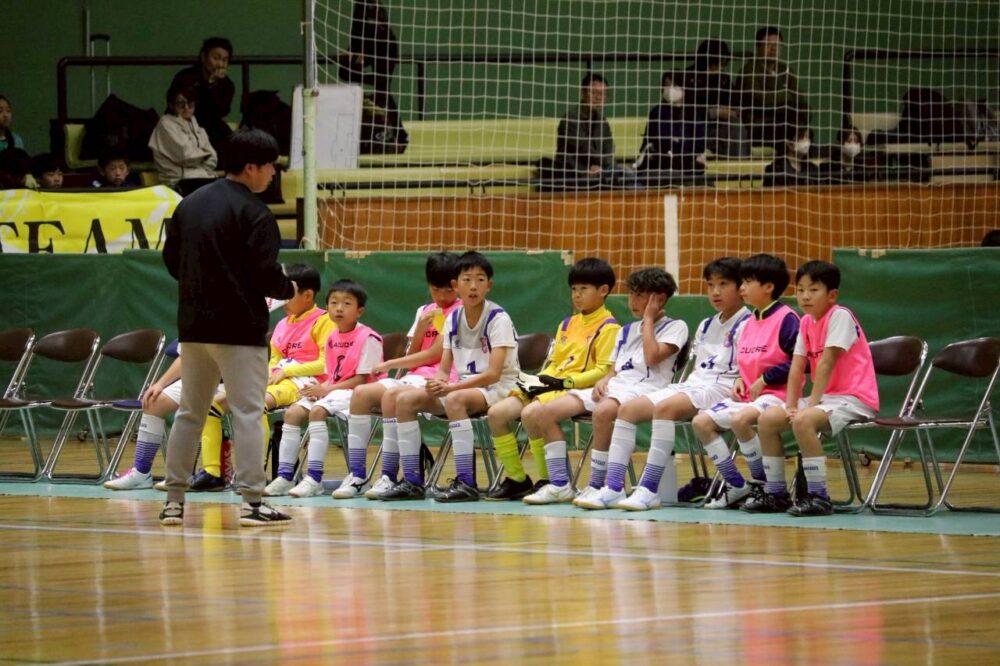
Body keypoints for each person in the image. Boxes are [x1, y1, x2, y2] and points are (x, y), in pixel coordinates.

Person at [159, 128, 296, 527]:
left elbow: (172, 262)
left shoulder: (189, 205)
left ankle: (173, 502)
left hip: (194, 327)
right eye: (270, 165)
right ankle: (253, 504)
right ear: (251, 167)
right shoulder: (255, 212)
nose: (273, 173)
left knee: (190, 413)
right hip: (239, 330)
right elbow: (264, 273)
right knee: (248, 413)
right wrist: (288, 289)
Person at [574, 258, 749, 511]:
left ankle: (648, 489)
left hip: (725, 386)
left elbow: (749, 366)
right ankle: (613, 487)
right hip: (695, 384)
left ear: (741, 287)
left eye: (723, 285)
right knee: (627, 410)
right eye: (711, 285)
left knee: (664, 408)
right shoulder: (706, 324)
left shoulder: (747, 322)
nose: (715, 292)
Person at [527, 267, 688, 508]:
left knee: (602, 411)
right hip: (617, 387)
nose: (632, 301)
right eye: (631, 294)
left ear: (660, 299)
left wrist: (648, 320)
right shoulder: (625, 331)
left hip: (648, 390)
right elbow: (613, 370)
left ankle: (601, 484)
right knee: (546, 412)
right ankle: (560, 484)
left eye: (640, 295)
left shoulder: (676, 327)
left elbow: (652, 357)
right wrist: (604, 381)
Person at [380, 251, 520, 502]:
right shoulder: (452, 319)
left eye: (480, 279)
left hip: (500, 386)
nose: (473, 286)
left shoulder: (498, 319)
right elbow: (444, 368)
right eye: (467, 280)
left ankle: (466, 481)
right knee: (404, 400)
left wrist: (452, 387)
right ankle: (412, 480)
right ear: (456, 285)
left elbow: (493, 374)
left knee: (455, 400)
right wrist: (439, 382)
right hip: (463, 387)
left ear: (489, 285)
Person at [183, 264, 334, 493]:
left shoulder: (324, 321)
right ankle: (212, 473)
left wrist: (288, 372)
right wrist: (265, 374)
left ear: (308, 295)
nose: (281, 300)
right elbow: (274, 359)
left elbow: (326, 362)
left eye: (287, 294)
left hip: (305, 382)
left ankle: (254, 473)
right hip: (276, 380)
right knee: (212, 404)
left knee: (256, 403)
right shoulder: (283, 324)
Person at [485, 258, 621, 503]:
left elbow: (603, 370)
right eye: (574, 289)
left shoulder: (609, 327)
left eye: (584, 289)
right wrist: (539, 381)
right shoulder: (567, 324)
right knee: (496, 414)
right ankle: (517, 480)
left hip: (577, 389)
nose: (577, 295)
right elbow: (555, 361)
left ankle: (550, 479)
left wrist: (565, 383)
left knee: (530, 415)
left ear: (603, 290)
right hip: (552, 384)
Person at [752, 261, 879, 516]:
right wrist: (790, 405)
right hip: (824, 399)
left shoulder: (840, 316)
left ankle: (819, 497)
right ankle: (776, 493)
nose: (805, 296)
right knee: (767, 420)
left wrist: (809, 406)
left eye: (813, 290)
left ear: (832, 295)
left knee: (803, 421)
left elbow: (826, 364)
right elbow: (797, 366)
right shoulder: (806, 322)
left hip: (854, 398)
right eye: (800, 290)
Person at [343, 252, 462, 500]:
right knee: (361, 394)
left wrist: (390, 363)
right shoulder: (425, 311)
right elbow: (413, 352)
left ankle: (389, 474)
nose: (442, 297)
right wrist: (419, 329)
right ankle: (357, 475)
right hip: (415, 377)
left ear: (457, 285)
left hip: (445, 379)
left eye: (447, 291)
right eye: (435, 290)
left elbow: (434, 354)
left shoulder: (460, 312)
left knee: (392, 396)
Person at [687, 253, 800, 509]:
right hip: (750, 396)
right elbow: (745, 361)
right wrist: (740, 378)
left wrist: (766, 378)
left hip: (779, 395)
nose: (742, 288)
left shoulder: (786, 318)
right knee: (701, 422)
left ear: (768, 287)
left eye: (747, 282)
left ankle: (766, 486)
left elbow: (801, 362)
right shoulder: (750, 323)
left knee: (740, 420)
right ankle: (736, 484)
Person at [265, 279, 385, 498]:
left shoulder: (368, 338)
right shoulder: (331, 337)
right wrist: (320, 387)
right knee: (292, 413)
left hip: (362, 393)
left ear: (360, 311)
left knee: (318, 411)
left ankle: (314, 479)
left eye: (346, 303)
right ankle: (285, 476)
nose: (339, 308)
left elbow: (361, 380)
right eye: (334, 303)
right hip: (335, 390)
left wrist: (326, 390)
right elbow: (332, 375)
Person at [554, 73, 635, 188]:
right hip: (572, 175)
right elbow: (583, 150)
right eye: (594, 93)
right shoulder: (571, 118)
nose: (599, 97)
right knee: (625, 176)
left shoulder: (602, 122)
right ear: (583, 93)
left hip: (599, 173)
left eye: (603, 94)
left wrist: (601, 167)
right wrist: (592, 168)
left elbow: (609, 149)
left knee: (628, 177)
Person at [737, 27, 808, 149]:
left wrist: (784, 100)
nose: (774, 49)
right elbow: (760, 99)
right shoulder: (749, 70)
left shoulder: (785, 69)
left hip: (785, 120)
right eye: (769, 44)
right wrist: (786, 96)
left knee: (804, 116)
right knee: (791, 131)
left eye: (778, 45)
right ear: (758, 47)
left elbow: (799, 97)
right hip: (760, 123)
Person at [679, 39, 750, 158]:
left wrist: (734, 112)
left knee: (735, 125)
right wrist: (715, 112)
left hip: (723, 127)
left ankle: (740, 163)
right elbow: (685, 111)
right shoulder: (687, 77)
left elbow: (736, 102)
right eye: (717, 63)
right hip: (697, 127)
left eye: (722, 63)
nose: (720, 67)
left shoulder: (724, 79)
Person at [148, 82, 218, 191]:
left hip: (202, 177)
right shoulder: (165, 124)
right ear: (171, 105)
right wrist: (205, 155)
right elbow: (185, 156)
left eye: (190, 104)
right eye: (181, 104)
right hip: (179, 182)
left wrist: (202, 158)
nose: (186, 108)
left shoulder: (195, 124)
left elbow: (213, 158)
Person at [169, 37, 235, 152]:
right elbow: (180, 105)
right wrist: (208, 85)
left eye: (225, 60)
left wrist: (213, 86)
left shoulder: (227, 84)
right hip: (182, 123)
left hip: (210, 126)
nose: (220, 64)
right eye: (216, 58)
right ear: (203, 57)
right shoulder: (186, 77)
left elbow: (222, 111)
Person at [634, 72, 706, 177]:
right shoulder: (657, 112)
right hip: (661, 166)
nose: (670, 89)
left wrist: (677, 144)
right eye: (666, 85)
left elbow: (700, 145)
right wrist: (684, 147)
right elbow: (663, 144)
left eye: (675, 85)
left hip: (686, 167)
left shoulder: (693, 113)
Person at [340, 0, 400, 117]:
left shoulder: (372, 7)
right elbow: (357, 31)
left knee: (383, 92)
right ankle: (374, 86)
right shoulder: (361, 6)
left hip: (385, 48)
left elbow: (376, 29)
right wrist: (352, 51)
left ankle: (398, 129)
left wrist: (360, 52)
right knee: (345, 72)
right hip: (369, 47)